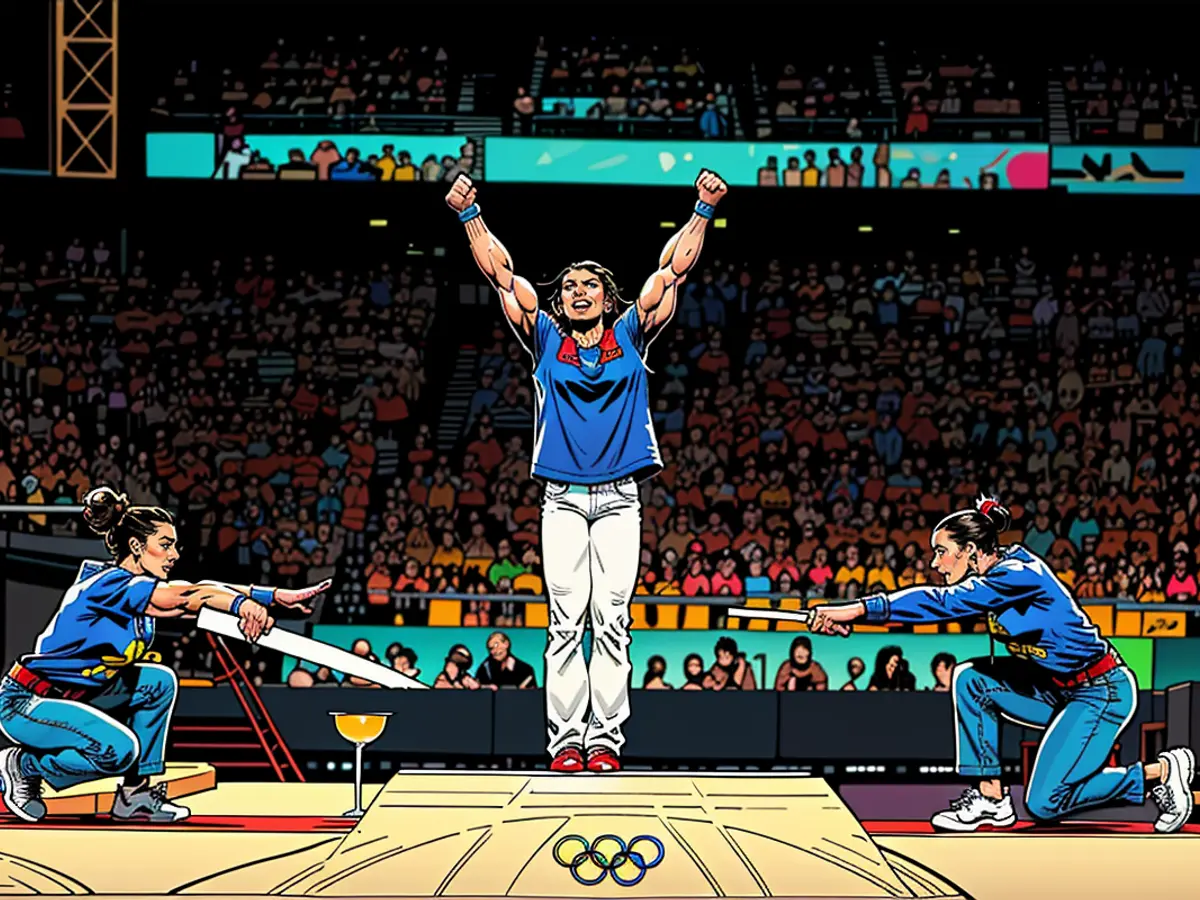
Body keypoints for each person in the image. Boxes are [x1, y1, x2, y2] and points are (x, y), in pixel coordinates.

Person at [446, 169, 727, 772]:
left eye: (589, 285)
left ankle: (604, 741)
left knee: (613, 621)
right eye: (569, 285)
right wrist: (471, 215)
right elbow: (500, 272)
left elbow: (672, 272)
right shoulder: (545, 338)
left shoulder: (631, 335)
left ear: (607, 297)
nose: (577, 292)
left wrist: (702, 209)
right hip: (564, 500)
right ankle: (566, 742)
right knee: (567, 621)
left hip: (622, 498)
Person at [809, 496, 1195, 834]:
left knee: (1045, 803)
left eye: (942, 551)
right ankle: (991, 799)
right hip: (1053, 689)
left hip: (1099, 692)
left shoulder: (1017, 574)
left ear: (972, 550)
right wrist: (848, 620)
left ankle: (1159, 774)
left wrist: (854, 609)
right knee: (971, 679)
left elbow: (938, 603)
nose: (935, 562)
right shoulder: (990, 574)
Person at [0, 486, 329, 824]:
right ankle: (22, 765)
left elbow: (201, 590)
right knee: (120, 750)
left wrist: (273, 597)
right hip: (29, 702)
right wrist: (243, 605)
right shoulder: (110, 585)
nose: (174, 555)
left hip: (81, 696)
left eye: (175, 546)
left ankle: (135, 795)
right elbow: (191, 595)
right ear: (136, 546)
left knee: (157, 682)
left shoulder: (141, 594)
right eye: (165, 545)